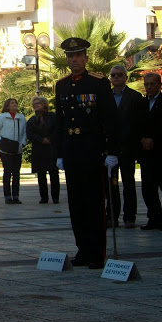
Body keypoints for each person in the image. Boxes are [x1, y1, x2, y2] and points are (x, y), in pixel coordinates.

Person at [55, 38, 118, 269]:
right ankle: (82, 249)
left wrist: (112, 151)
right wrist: (60, 152)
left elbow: (110, 120)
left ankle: (96, 253)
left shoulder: (98, 84)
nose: (75, 60)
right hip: (72, 152)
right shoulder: (61, 85)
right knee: (76, 204)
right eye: (71, 56)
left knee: (93, 204)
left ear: (86, 58)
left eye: (79, 56)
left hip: (93, 152)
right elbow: (61, 123)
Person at [106, 64, 143, 228]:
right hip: (110, 148)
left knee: (128, 183)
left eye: (119, 75)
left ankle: (130, 216)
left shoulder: (135, 97)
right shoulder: (105, 96)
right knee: (111, 184)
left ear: (126, 78)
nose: (116, 78)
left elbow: (138, 123)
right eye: (113, 75)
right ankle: (112, 216)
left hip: (128, 146)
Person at [138, 72, 162, 231]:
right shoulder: (140, 104)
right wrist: (142, 139)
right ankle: (154, 217)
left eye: (152, 84)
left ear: (159, 85)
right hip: (146, 153)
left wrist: (154, 140)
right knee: (147, 188)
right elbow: (135, 124)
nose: (149, 87)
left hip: (161, 152)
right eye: (146, 84)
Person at [0, 98, 27, 204]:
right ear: (7, 106)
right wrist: (1, 142)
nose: (15, 104)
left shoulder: (21, 117)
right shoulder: (2, 117)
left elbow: (25, 132)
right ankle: (7, 195)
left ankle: (16, 195)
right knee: (7, 172)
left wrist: (22, 143)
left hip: (17, 149)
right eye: (12, 103)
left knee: (16, 173)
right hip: (5, 149)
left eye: (16, 102)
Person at [27, 96, 59, 204]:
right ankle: (44, 197)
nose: (35, 105)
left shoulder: (53, 116)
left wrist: (50, 139)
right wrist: (41, 140)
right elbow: (30, 134)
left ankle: (55, 197)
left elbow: (57, 130)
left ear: (44, 104)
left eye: (38, 103)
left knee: (53, 173)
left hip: (51, 148)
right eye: (34, 103)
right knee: (41, 174)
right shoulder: (31, 120)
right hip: (39, 149)